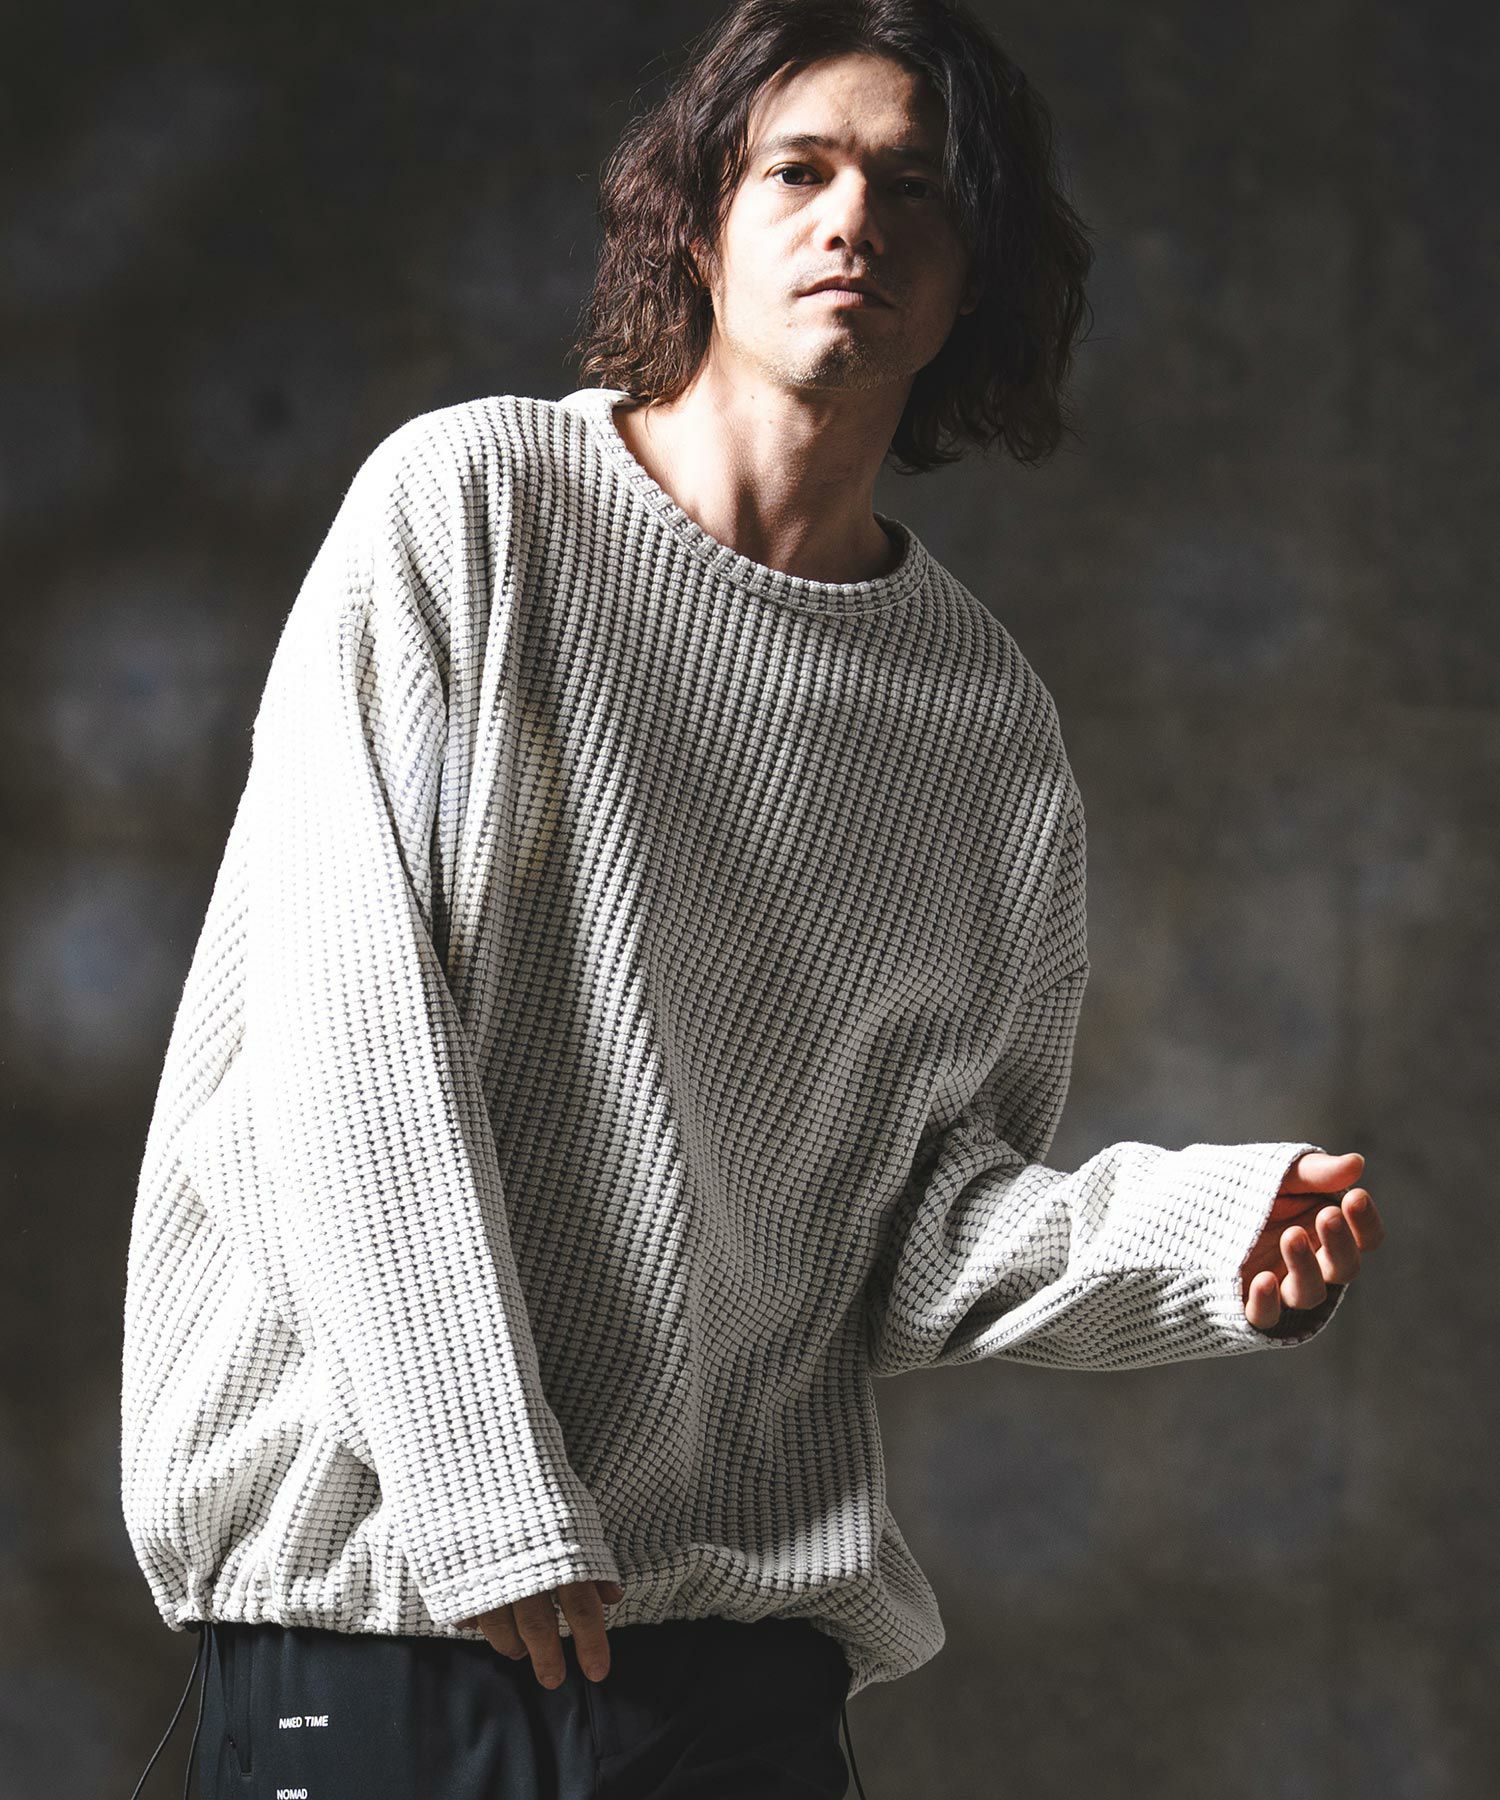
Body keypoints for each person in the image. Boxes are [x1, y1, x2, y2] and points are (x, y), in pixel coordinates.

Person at [121, 2, 1385, 1796]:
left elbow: (920, 1232)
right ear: (701, 229)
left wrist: (1196, 1246)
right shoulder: (470, 510)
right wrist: (485, 1490)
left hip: (732, 1671)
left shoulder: (984, 727)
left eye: (915, 189)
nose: (853, 218)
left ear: (973, 277)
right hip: (393, 1613)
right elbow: (339, 1046)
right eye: (800, 169)